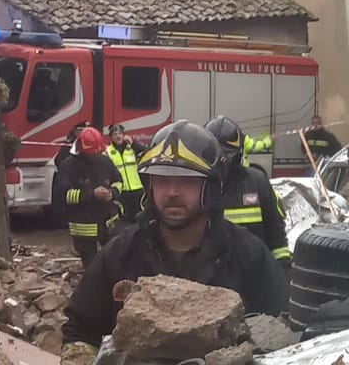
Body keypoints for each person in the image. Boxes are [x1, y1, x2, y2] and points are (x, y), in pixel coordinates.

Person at [63, 120, 289, 347]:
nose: (171, 192)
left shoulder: (248, 255)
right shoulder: (120, 254)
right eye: (161, 180)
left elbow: (283, 330)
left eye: (186, 181)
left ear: (211, 188)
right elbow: (79, 329)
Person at [205, 115, 292, 264]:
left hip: (255, 274)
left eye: (226, 155)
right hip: (211, 277)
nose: (221, 161)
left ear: (237, 154)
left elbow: (276, 234)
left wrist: (281, 269)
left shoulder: (257, 182)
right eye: (215, 155)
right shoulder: (198, 187)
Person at [52, 126, 119, 264]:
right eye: (92, 153)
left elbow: (118, 181)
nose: (96, 155)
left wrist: (112, 193)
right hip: (83, 227)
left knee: (114, 259)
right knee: (91, 266)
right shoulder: (68, 166)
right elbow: (63, 195)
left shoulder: (105, 162)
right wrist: (91, 194)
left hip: (107, 223)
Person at [106, 123, 146, 221]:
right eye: (115, 134)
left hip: (137, 188)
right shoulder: (107, 151)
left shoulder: (132, 148)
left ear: (124, 135)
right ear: (111, 137)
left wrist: (133, 143)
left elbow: (146, 153)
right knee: (124, 219)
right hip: (121, 191)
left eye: (120, 133)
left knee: (140, 217)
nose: (118, 136)